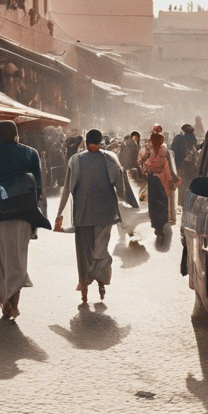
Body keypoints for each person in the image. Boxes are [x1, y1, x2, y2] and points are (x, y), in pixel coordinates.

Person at [54, 129, 138, 303]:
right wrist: (129, 204)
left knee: (84, 253)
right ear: (100, 142)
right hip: (105, 214)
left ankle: (84, 287)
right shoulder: (110, 159)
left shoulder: (75, 160)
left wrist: (59, 213)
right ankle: (101, 280)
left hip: (83, 215)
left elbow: (67, 189)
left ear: (85, 141)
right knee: (100, 250)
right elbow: (121, 186)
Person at [0, 120, 48, 320]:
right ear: (16, 134)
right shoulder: (30, 153)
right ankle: (14, 303)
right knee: (17, 259)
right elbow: (38, 187)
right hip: (22, 213)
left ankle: (4, 301)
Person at [142, 130, 178, 236]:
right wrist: (171, 180)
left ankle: (156, 224)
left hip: (153, 182)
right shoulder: (165, 154)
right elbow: (168, 171)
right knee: (163, 202)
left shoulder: (150, 154)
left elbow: (145, 167)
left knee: (153, 203)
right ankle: (161, 224)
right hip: (163, 182)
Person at [171, 124, 199, 208]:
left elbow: (173, 150)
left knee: (182, 183)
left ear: (183, 130)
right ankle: (191, 202)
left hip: (181, 165)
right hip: (192, 165)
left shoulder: (179, 138)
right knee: (190, 183)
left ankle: (182, 203)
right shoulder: (193, 138)